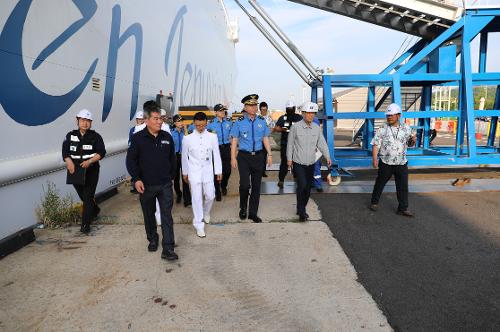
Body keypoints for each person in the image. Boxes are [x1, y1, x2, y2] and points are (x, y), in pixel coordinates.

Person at [126, 106, 178, 260]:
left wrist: (171, 177)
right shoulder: (138, 138)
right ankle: (153, 239)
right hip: (146, 185)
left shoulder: (167, 137)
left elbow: (172, 159)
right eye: (156, 119)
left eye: (161, 118)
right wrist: (136, 179)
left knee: (167, 215)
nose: (160, 121)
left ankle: (168, 248)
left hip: (164, 184)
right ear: (147, 120)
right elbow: (131, 161)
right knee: (149, 215)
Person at [62, 109, 106, 234]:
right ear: (77, 121)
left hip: (91, 170)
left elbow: (101, 153)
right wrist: (68, 161)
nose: (85, 123)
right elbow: (65, 152)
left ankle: (85, 224)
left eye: (88, 121)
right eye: (82, 120)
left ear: (91, 123)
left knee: (88, 196)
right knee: (83, 195)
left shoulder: (96, 136)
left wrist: (90, 161)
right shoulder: (70, 136)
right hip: (75, 170)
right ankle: (95, 209)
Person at [230, 94, 272, 223]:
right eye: (251, 105)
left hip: (258, 156)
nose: (254, 108)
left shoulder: (261, 120)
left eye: (255, 105)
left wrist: (269, 154)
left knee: (256, 186)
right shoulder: (239, 122)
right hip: (243, 157)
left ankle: (253, 213)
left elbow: (265, 138)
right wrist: (233, 157)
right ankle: (243, 207)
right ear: (245, 107)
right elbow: (235, 140)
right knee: (244, 185)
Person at [287, 102, 331, 221]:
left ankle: (301, 207)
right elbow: (290, 144)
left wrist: (327, 156)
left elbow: (322, 143)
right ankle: (302, 211)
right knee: (302, 185)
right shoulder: (295, 127)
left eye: (313, 113)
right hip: (298, 163)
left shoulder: (316, 128)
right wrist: (289, 159)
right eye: (308, 113)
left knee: (307, 189)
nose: (311, 115)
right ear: (303, 113)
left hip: (311, 163)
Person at [370, 103, 416, 217]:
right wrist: (374, 158)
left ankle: (403, 208)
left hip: (401, 163)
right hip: (386, 162)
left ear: (398, 115)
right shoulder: (382, 128)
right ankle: (374, 202)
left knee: (403, 186)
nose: (389, 117)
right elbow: (376, 144)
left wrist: (413, 140)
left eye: (391, 115)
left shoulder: (406, 128)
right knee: (380, 183)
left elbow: (410, 144)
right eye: (387, 115)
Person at [182, 112, 222, 238]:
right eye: (198, 125)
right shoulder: (187, 138)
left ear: (206, 123)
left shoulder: (212, 137)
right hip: (194, 172)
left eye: (202, 125)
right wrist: (185, 173)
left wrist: (218, 171)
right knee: (196, 198)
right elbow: (184, 157)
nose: (200, 128)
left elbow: (216, 154)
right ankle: (199, 224)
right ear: (194, 124)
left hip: (208, 171)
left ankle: (206, 212)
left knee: (210, 195)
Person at [274, 100, 302, 188]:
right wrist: (282, 129)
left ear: (294, 108)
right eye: (288, 108)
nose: (290, 110)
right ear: (286, 109)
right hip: (285, 145)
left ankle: (297, 179)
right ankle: (281, 180)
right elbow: (276, 128)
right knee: (284, 163)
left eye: (291, 108)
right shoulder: (282, 118)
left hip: (297, 145)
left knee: (297, 163)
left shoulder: (299, 118)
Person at [207, 104, 232, 201]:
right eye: (220, 111)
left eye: (223, 110)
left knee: (227, 171)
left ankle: (223, 185)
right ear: (216, 112)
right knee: (216, 171)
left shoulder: (228, 122)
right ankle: (217, 191)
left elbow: (232, 135)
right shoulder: (211, 124)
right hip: (215, 149)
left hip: (226, 148)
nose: (223, 112)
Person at [171, 114, 191, 207]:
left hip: (184, 156)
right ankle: (179, 194)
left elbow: (188, 142)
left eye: (182, 121)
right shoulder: (171, 133)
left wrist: (186, 129)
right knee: (176, 178)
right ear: (174, 123)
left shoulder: (186, 132)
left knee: (185, 177)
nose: (181, 123)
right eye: (179, 121)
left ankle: (187, 199)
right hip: (175, 157)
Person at [259, 101, 274, 177]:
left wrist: (268, 133)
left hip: (266, 140)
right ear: (260, 110)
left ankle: (263, 172)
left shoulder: (269, 118)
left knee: (264, 156)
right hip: (258, 140)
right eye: (262, 109)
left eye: (265, 109)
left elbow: (272, 127)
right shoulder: (257, 117)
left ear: (267, 109)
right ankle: (257, 171)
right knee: (258, 156)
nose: (263, 111)